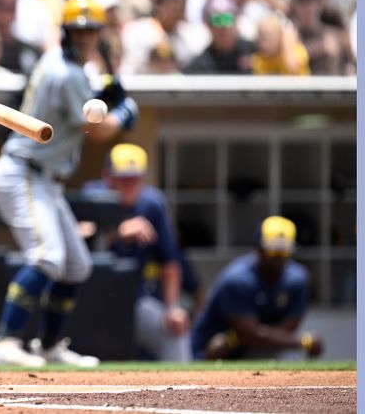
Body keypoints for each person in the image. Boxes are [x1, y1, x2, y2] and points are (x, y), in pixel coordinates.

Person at [0, 0, 138, 367]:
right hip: (23, 173)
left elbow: (88, 106)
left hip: (44, 180)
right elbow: (97, 132)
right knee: (47, 258)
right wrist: (125, 111)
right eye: (77, 31)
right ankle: (3, 341)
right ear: (66, 32)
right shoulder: (65, 72)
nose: (84, 38)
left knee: (76, 266)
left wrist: (104, 97)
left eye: (90, 31)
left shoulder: (68, 67)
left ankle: (48, 345)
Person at [81, 143, 191, 362]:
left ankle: (183, 392)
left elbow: (170, 262)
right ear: (108, 176)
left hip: (134, 300)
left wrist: (173, 307)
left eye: (135, 179)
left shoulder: (152, 204)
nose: (129, 185)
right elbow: (78, 235)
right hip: (88, 301)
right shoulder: (92, 195)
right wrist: (118, 232)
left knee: (173, 329)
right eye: (123, 179)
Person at [191, 216, 323, 360]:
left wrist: (251, 336)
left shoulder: (298, 279)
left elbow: (288, 327)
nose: (278, 258)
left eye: (284, 250)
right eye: (272, 250)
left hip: (250, 347)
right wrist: (304, 342)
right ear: (259, 249)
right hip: (214, 352)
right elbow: (250, 335)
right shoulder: (237, 278)